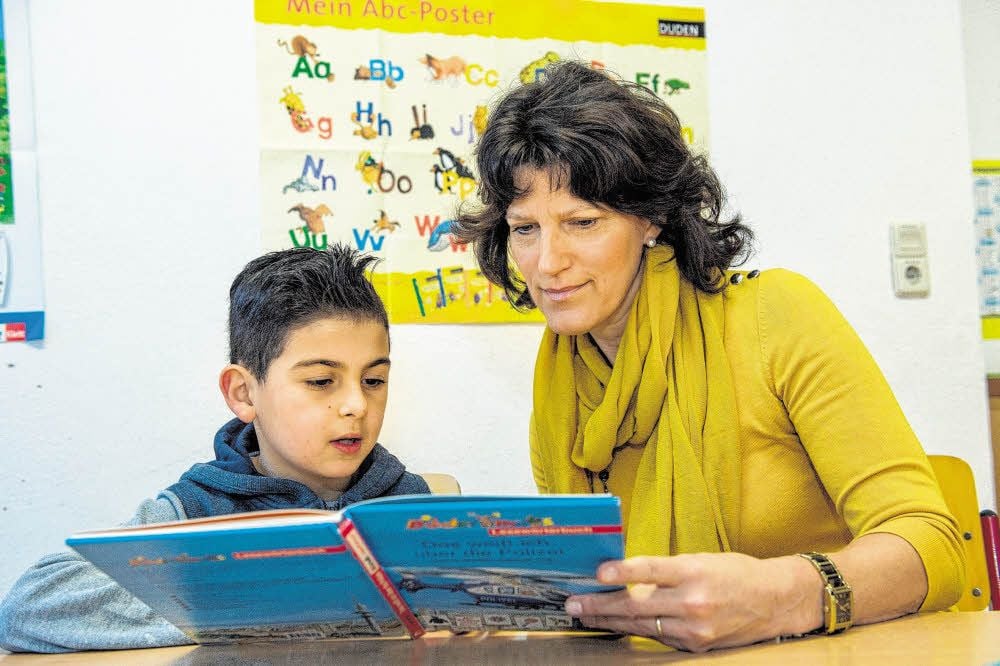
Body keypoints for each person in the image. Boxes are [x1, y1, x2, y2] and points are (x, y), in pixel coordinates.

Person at [453, 61, 965, 652]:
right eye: (525, 229)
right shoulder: (561, 382)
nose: (547, 262)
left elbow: (933, 543)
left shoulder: (776, 314)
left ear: (651, 219)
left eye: (582, 222)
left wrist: (782, 595)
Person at [0, 244, 430, 652]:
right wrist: (262, 605)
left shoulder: (410, 503)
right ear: (244, 393)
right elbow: (27, 609)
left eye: (373, 380)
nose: (356, 404)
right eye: (321, 381)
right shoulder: (194, 511)